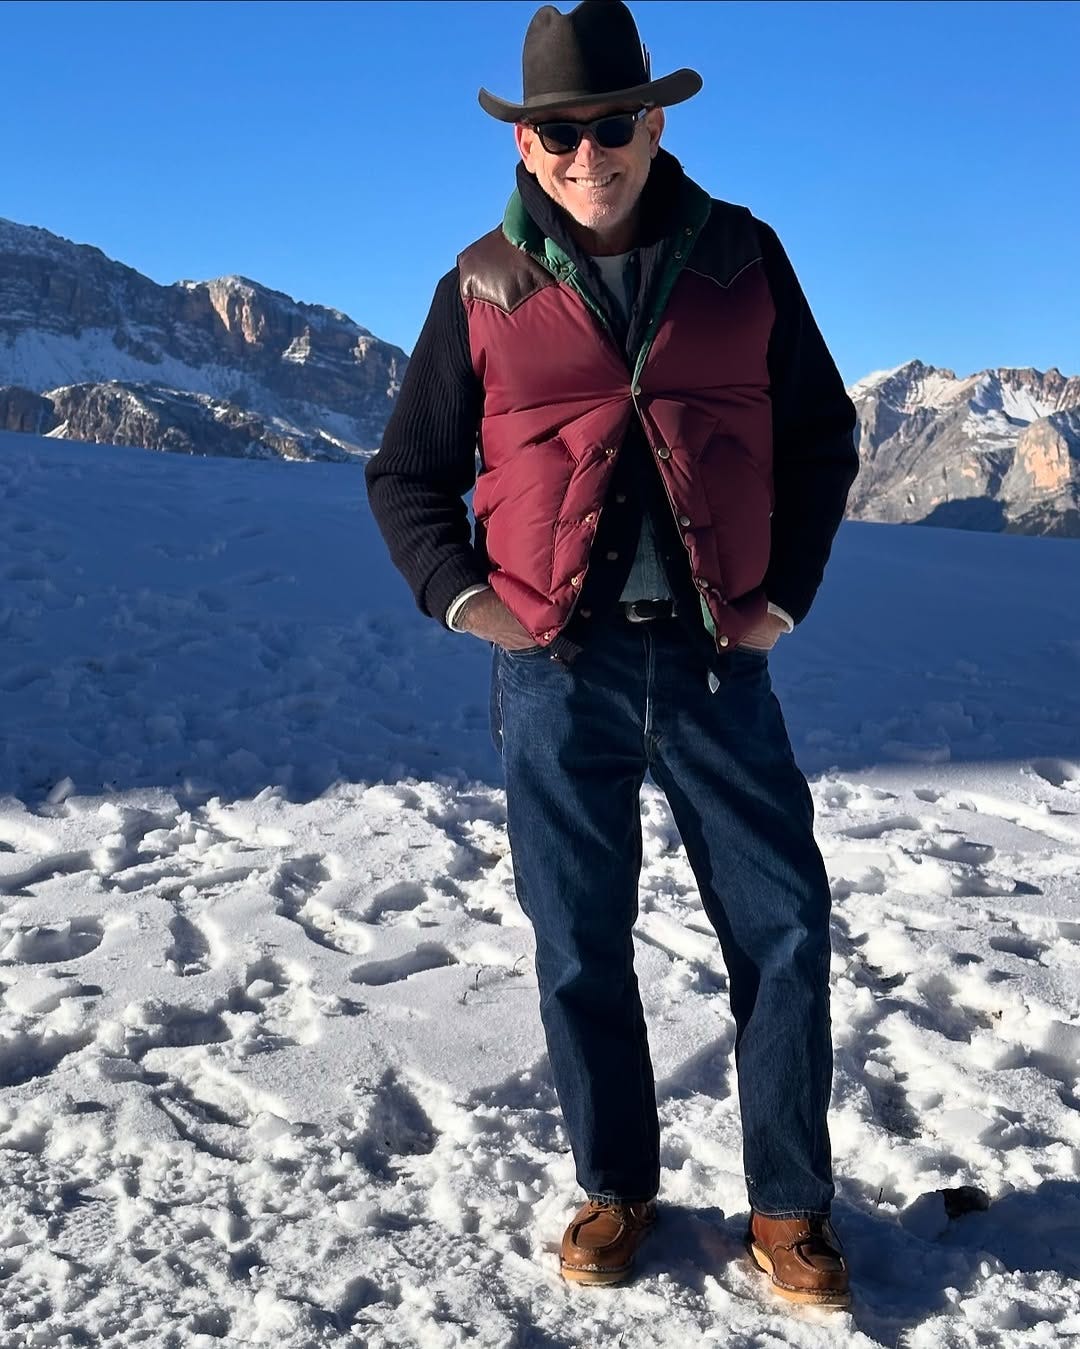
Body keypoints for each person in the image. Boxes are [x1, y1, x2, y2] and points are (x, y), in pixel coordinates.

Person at [365, 0, 859, 1309]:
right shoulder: (479, 283)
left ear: (656, 121)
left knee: (786, 926)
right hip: (553, 674)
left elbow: (823, 437)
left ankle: (791, 1206)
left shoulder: (743, 258)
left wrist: (786, 599)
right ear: (528, 147)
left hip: (715, 666)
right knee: (580, 941)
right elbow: (407, 474)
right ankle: (616, 1184)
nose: (592, 155)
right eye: (562, 133)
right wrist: (471, 604)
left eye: (615, 125)